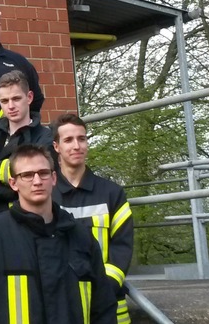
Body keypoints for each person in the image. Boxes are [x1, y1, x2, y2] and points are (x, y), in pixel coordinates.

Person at [0, 144, 117, 324]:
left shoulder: (80, 237)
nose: (37, 181)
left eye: (43, 173)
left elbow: (104, 309)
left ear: (54, 178)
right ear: (13, 183)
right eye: (27, 175)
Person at [52, 113, 134, 324]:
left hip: (109, 305)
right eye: (68, 140)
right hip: (61, 305)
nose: (76, 146)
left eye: (82, 139)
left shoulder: (112, 193)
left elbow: (122, 248)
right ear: (56, 146)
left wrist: (104, 287)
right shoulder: (46, 195)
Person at [0, 70, 52, 212]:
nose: (10, 106)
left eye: (16, 99)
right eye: (4, 101)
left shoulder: (46, 137)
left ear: (29, 97)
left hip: (32, 216)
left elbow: (36, 183)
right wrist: (17, 180)